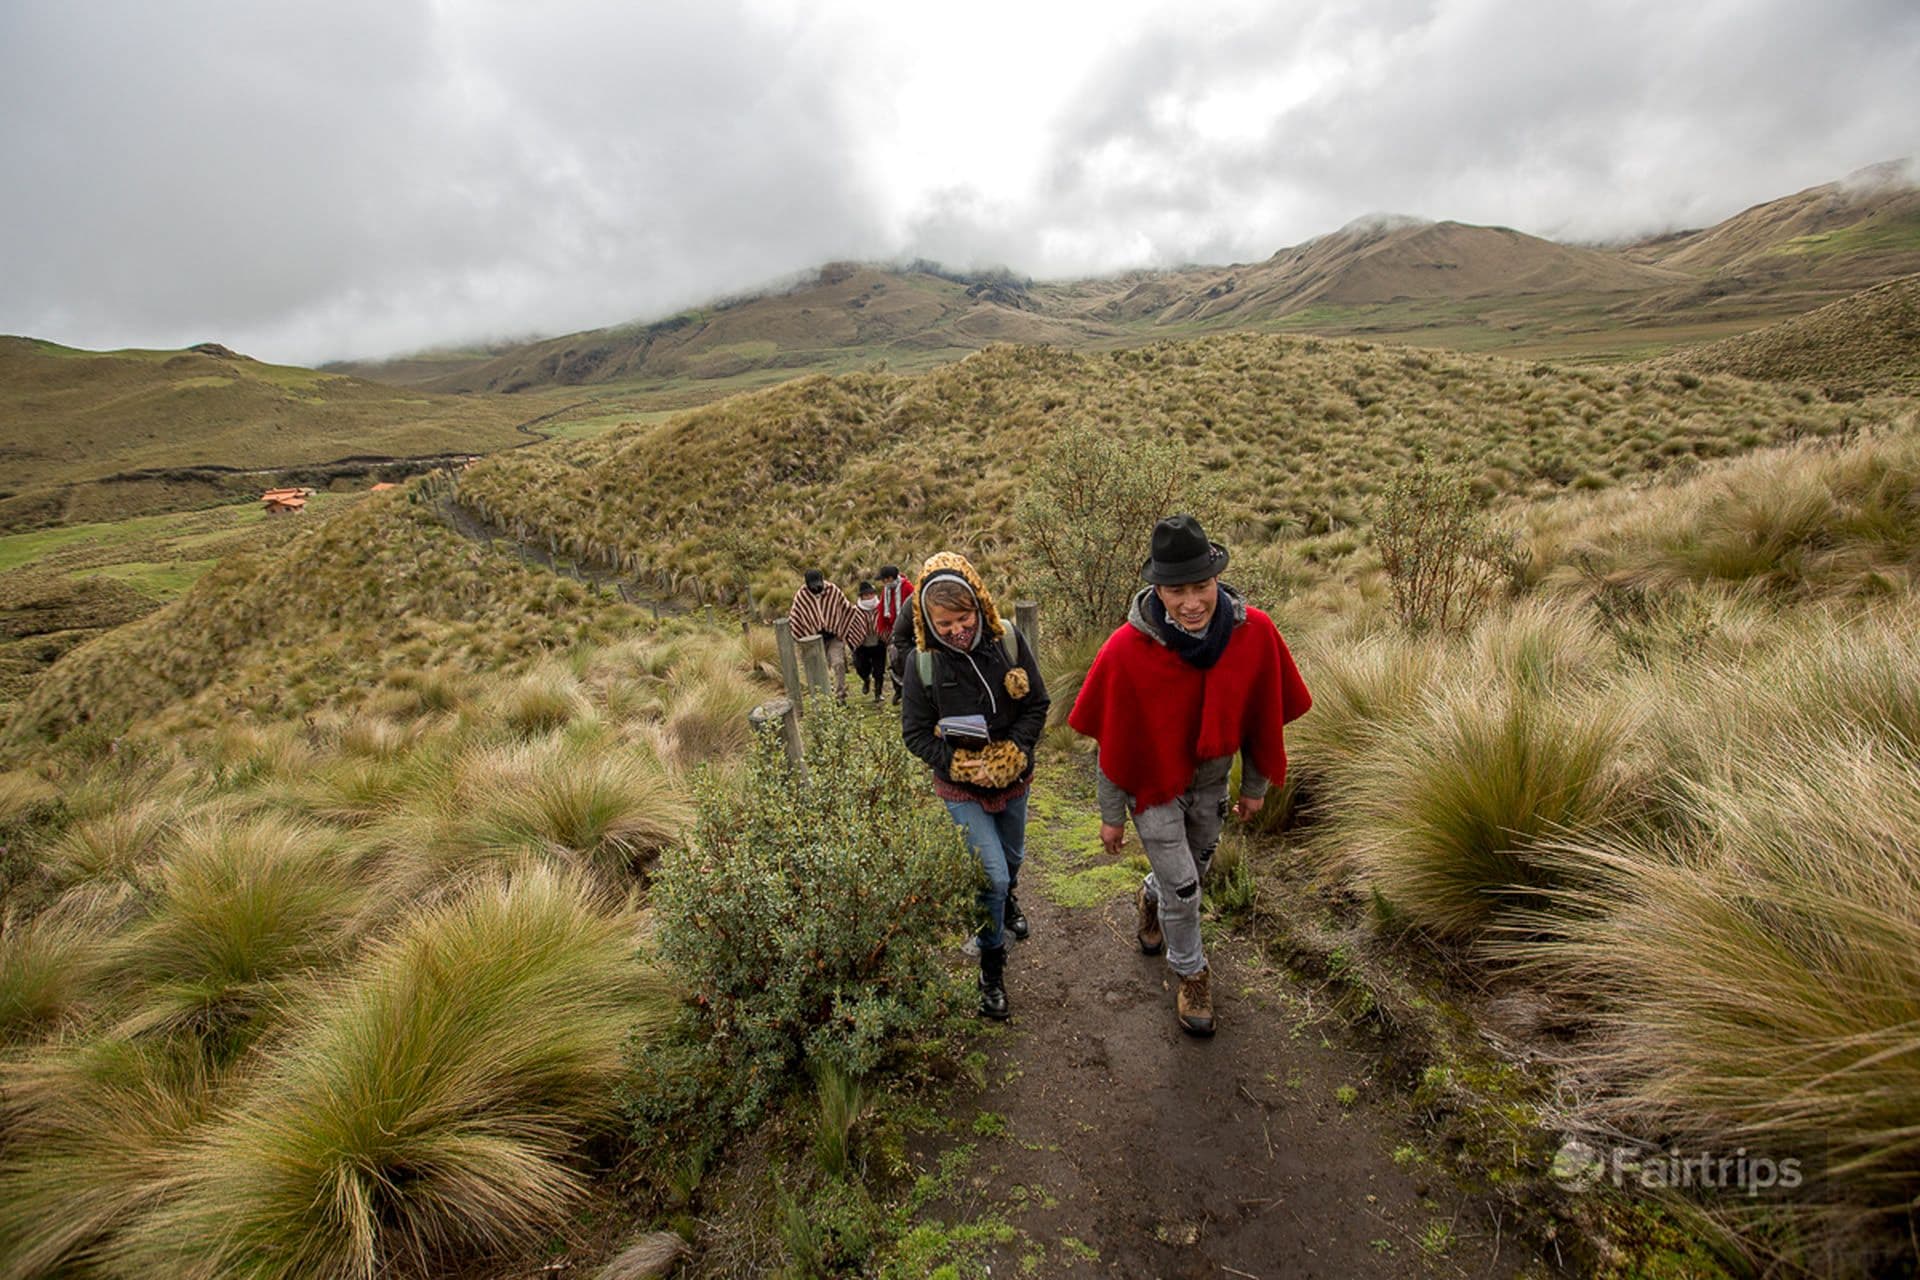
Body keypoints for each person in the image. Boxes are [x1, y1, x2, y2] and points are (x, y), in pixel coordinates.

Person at [1068, 514, 1311, 1037]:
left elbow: (1262, 717)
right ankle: (1192, 973)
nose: (1192, 602)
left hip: (1210, 786)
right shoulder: (1125, 650)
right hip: (1152, 792)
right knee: (1186, 889)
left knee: (1190, 876)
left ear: (1216, 579)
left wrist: (1254, 788)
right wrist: (1111, 818)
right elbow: (1111, 744)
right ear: (1158, 588)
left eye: (1201, 586)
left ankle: (1148, 897)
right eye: (1177, 590)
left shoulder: (1254, 634)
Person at [900, 552, 1049, 1020]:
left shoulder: (1008, 641)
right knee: (992, 875)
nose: (956, 630)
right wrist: (959, 764)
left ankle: (1008, 904)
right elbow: (916, 733)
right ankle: (991, 972)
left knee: (1012, 860)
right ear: (927, 618)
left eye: (963, 617)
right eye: (943, 622)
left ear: (980, 607)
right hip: (961, 789)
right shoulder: (921, 665)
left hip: (1014, 779)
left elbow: (1037, 705)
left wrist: (1014, 755)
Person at [787, 568, 865, 702]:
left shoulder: (832, 590)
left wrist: (844, 628)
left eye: (818, 584)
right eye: (813, 585)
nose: (816, 587)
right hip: (813, 639)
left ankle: (841, 696)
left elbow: (846, 608)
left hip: (834, 636)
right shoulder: (801, 595)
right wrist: (804, 636)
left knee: (838, 663)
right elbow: (795, 617)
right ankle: (824, 698)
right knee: (818, 669)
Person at [875, 564, 915, 705]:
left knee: (906, 661)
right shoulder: (886, 591)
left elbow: (913, 609)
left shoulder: (907, 588)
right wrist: (883, 629)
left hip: (908, 631)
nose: (883, 583)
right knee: (893, 661)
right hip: (893, 631)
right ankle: (898, 689)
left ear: (890, 578)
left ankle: (909, 690)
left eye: (884, 580)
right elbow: (881, 610)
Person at [851, 581, 888, 705]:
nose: (869, 597)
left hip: (879, 643)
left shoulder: (881, 607)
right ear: (861, 597)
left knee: (879, 670)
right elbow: (850, 626)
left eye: (871, 594)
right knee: (861, 667)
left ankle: (878, 693)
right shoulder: (855, 610)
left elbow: (887, 621)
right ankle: (866, 680)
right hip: (862, 645)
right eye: (866, 595)